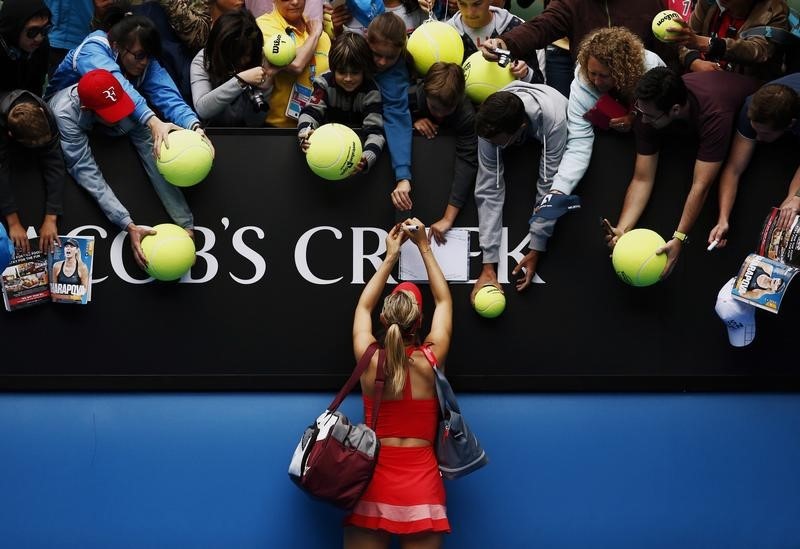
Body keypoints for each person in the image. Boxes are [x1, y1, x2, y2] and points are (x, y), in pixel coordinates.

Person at [345, 217, 452, 547]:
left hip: (372, 480)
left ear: (383, 319)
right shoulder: (431, 360)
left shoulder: (369, 357)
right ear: (419, 322)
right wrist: (423, 246)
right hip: (422, 482)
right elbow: (445, 301)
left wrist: (391, 256)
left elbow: (363, 304)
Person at [603, 67, 760, 278]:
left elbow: (701, 186)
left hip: (755, 104)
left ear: (675, 109)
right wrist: (623, 229)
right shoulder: (646, 109)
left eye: (649, 116)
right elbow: (642, 178)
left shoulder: (715, 114)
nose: (643, 120)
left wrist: (679, 238)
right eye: (640, 111)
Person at [49, 69, 195, 270]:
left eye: (119, 106)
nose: (119, 114)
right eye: (111, 112)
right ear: (86, 108)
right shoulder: (64, 114)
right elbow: (87, 173)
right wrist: (127, 223)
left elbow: (152, 154)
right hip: (73, 132)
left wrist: (185, 221)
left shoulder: (121, 92)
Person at [45, 12, 211, 164]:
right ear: (117, 47)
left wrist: (194, 126)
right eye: (139, 55)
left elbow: (168, 96)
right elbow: (117, 83)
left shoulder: (146, 62)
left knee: (146, 130)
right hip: (63, 119)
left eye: (149, 55)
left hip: (105, 119)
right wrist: (153, 121)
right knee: (131, 107)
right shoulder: (93, 48)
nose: (145, 62)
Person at [472, 83, 573, 302]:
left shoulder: (554, 121)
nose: (490, 145)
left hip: (556, 116)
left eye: (497, 142)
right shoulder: (489, 125)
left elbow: (549, 186)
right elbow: (489, 189)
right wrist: (488, 265)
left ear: (521, 127)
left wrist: (537, 246)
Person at [548, 27, 665, 200]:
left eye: (604, 75)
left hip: (655, 151)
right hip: (611, 158)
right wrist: (558, 190)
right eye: (592, 73)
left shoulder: (652, 68)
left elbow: (664, 114)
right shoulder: (581, 87)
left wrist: (635, 117)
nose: (596, 81)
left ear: (622, 71)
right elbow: (579, 142)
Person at [477, 0, 678, 97]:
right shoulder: (572, 2)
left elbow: (668, 56)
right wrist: (504, 43)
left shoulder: (651, 3)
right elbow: (542, 26)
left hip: (639, 94)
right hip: (590, 91)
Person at [709, 73, 800, 248]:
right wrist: (723, 219)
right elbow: (734, 169)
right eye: (754, 130)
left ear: (790, 125)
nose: (756, 138)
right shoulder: (751, 106)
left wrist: (794, 198)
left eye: (764, 133)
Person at [409, 62, 478, 244]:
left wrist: (448, 218)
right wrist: (411, 121)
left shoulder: (467, 114)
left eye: (447, 110)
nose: (439, 115)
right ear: (425, 92)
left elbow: (467, 163)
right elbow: (388, 117)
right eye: (434, 108)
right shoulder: (411, 95)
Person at [298, 32, 385, 174]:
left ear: (364, 70)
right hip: (325, 153)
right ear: (333, 69)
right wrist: (306, 132)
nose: (348, 78)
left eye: (355, 72)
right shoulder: (323, 83)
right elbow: (311, 112)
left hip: (355, 156)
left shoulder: (371, 91)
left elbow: (375, 131)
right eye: (342, 72)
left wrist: (367, 157)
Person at [0, 89, 66, 255]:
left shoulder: (45, 114)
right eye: (34, 146)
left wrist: (51, 217)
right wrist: (13, 222)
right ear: (11, 136)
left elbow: (55, 164)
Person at [668, 0, 789, 82]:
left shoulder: (774, 11)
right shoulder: (709, 2)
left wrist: (707, 44)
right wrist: (694, 62)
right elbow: (688, 38)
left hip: (740, 83)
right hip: (697, 74)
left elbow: (758, 51)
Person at [366, 13, 416, 211]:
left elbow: (397, 118)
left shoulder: (399, 73)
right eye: (376, 54)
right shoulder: (357, 53)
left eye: (390, 57)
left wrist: (403, 177)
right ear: (367, 42)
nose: (382, 62)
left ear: (401, 50)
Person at [190, 8, 272, 127]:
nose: (245, 60)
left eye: (248, 55)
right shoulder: (204, 60)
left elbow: (255, 123)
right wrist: (240, 80)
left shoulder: (259, 58)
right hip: (211, 133)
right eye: (239, 56)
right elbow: (203, 109)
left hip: (246, 135)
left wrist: (266, 84)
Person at [256, 0, 331, 127]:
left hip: (317, 127)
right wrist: (314, 36)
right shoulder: (263, 25)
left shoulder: (319, 32)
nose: (295, 2)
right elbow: (296, 65)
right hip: (277, 130)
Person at [436, 0, 544, 84]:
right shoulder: (446, 33)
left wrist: (526, 73)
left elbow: (539, 84)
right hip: (464, 108)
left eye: (477, 3)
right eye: (462, 3)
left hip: (509, 107)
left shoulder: (516, 27)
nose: (470, 12)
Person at [0, 0, 52, 96]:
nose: (39, 38)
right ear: (14, 28)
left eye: (45, 29)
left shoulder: (42, 45)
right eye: (32, 31)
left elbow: (37, 86)